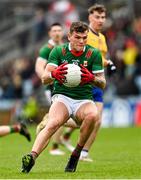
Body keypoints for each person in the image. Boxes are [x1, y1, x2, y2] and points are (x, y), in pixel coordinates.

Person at [21, 21, 106, 173]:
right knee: (53, 123)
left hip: (84, 99)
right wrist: (53, 74)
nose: (81, 41)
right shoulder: (58, 51)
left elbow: (102, 83)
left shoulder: (93, 54)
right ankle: (31, 157)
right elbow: (44, 78)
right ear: (69, 37)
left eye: (84, 38)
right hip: (62, 96)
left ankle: (76, 154)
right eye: (78, 37)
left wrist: (92, 78)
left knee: (94, 116)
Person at [79, 4, 116, 161]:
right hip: (84, 81)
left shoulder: (102, 37)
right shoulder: (85, 36)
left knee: (97, 120)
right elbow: (91, 56)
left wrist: (107, 63)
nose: (100, 20)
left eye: (102, 17)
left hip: (97, 81)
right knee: (77, 119)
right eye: (97, 17)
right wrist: (108, 63)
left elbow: (100, 58)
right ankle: (52, 123)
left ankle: (84, 153)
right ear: (90, 18)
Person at [35, 22, 74, 155]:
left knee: (65, 115)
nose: (57, 33)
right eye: (54, 31)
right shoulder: (47, 49)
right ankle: (54, 146)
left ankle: (50, 128)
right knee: (61, 116)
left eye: (59, 30)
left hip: (64, 85)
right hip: (52, 87)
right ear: (50, 33)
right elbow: (39, 67)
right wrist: (48, 80)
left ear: (63, 32)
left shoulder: (64, 47)